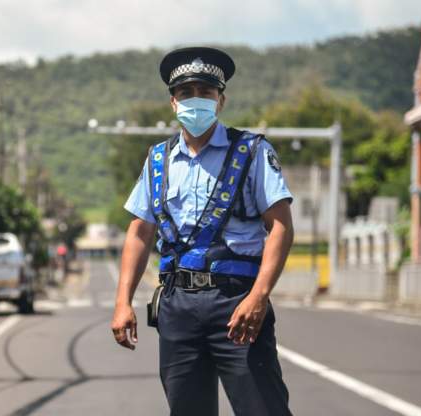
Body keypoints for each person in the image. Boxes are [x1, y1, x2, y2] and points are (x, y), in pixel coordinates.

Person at [112, 46, 295, 416]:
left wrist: (258, 298)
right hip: (178, 307)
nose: (196, 100)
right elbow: (139, 232)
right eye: (185, 93)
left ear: (221, 100)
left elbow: (280, 227)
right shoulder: (158, 159)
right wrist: (122, 303)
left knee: (263, 410)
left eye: (205, 93)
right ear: (173, 103)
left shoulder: (252, 152)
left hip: (236, 303)